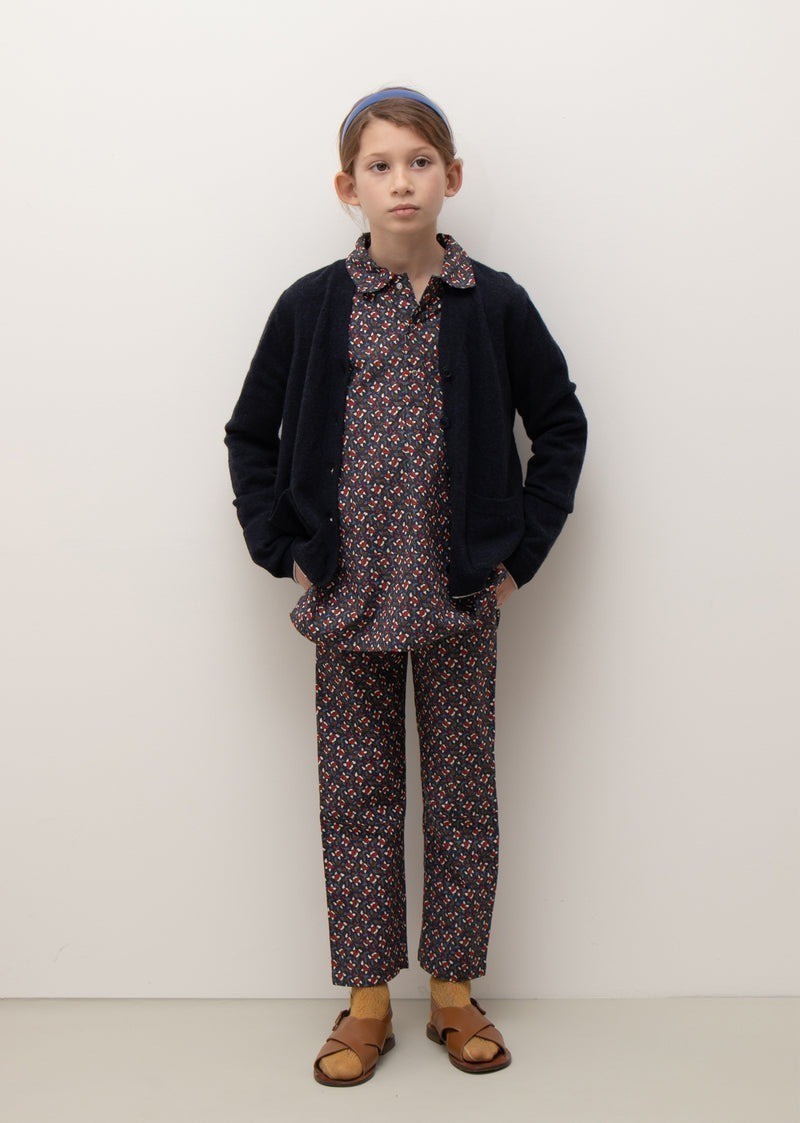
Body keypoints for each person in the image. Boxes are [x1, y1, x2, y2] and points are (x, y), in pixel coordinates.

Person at [224, 85, 588, 1086]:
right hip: (348, 602)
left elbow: (559, 425)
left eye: (419, 162)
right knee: (355, 803)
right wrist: (282, 546)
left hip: (460, 600)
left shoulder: (493, 304)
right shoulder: (312, 307)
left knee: (463, 799)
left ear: (451, 176)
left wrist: (516, 557)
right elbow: (250, 434)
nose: (401, 182)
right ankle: (367, 1001)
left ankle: (455, 991)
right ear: (348, 187)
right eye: (379, 166)